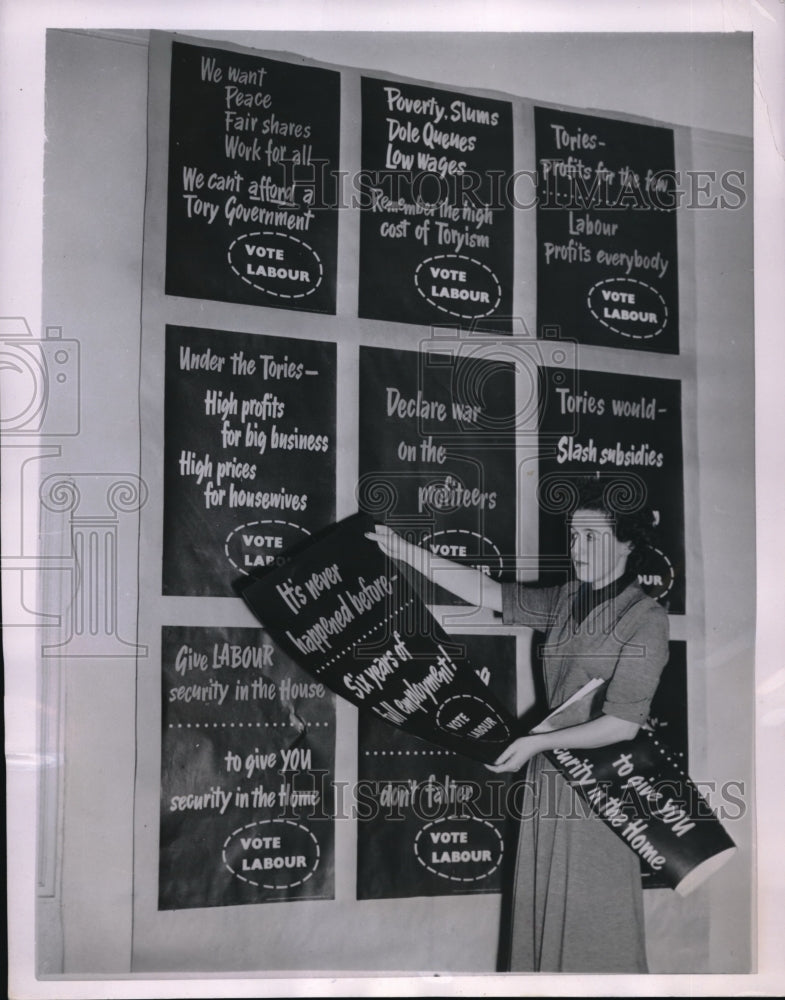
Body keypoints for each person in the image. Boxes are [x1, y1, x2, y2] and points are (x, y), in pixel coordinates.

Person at [365, 478, 669, 973]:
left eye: (592, 537)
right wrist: (405, 551)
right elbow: (487, 591)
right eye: (573, 536)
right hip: (549, 771)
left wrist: (534, 744)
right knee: (541, 909)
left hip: (601, 785)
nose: (577, 549)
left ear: (628, 542)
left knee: (597, 924)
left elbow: (622, 724)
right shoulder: (568, 598)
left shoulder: (645, 618)